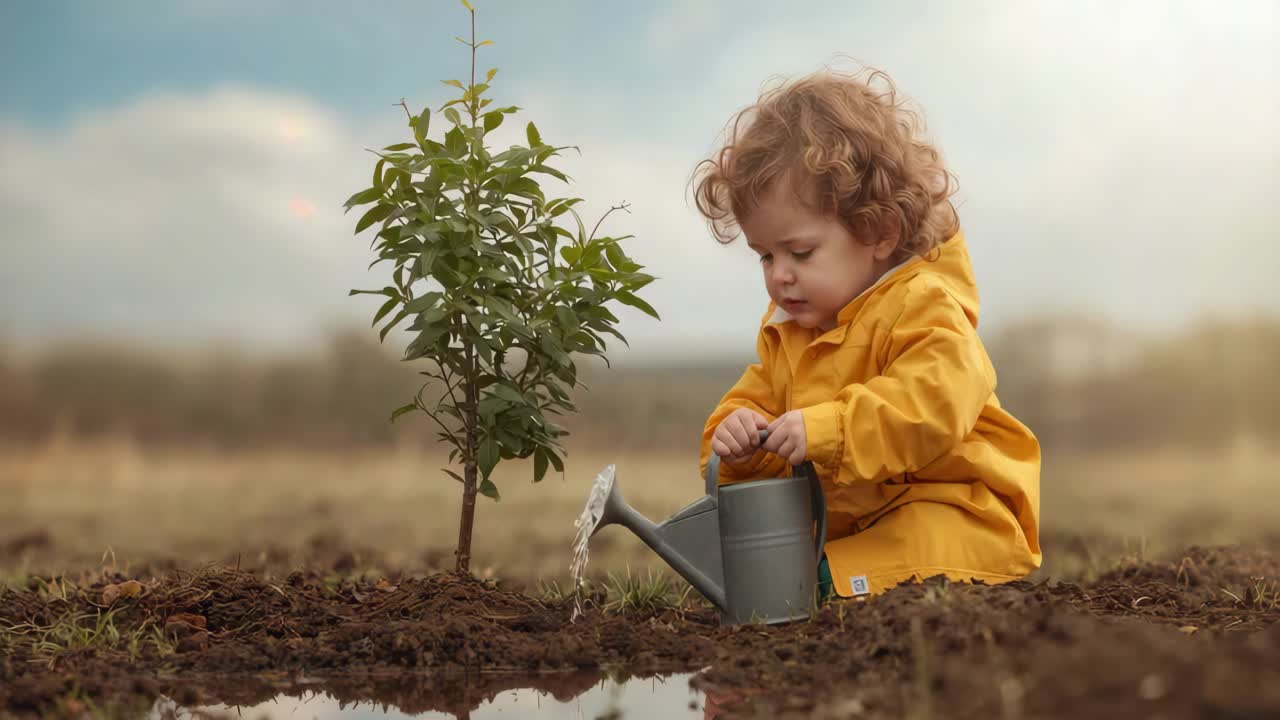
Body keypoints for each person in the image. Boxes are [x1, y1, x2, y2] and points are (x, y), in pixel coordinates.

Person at [692, 66, 1041, 600]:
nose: (779, 274)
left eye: (800, 252)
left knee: (846, 565)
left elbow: (934, 401)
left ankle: (833, 581)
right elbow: (749, 406)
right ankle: (826, 577)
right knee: (780, 564)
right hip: (857, 526)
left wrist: (828, 430)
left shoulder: (925, 304)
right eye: (765, 255)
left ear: (880, 231)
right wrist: (739, 442)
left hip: (956, 512)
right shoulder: (791, 332)